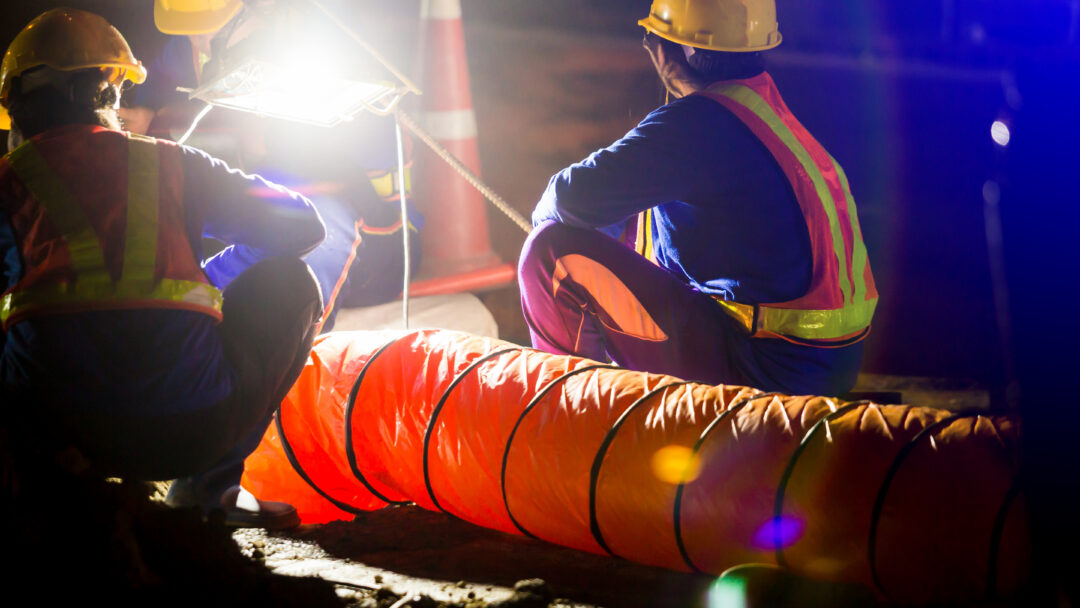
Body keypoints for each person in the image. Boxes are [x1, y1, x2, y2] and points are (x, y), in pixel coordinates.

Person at [0, 8, 326, 529]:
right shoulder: (169, 161)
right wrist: (204, 279)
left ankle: (32, 498)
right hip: (188, 433)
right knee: (294, 284)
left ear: (15, 107)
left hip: (57, 439)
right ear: (110, 89)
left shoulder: (8, 182)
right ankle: (206, 491)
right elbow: (303, 228)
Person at [518, 0, 878, 397]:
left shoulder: (698, 125)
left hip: (763, 372)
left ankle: (574, 417)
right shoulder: (767, 118)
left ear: (667, 52)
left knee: (551, 253)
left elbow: (565, 200)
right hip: (819, 370)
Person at [125, 0, 422, 333]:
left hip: (376, 244)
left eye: (217, 32)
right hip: (278, 208)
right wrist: (148, 111)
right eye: (192, 35)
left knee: (308, 224)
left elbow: (324, 222)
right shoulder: (197, 40)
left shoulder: (327, 58)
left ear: (265, 9)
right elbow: (163, 74)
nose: (203, 46)